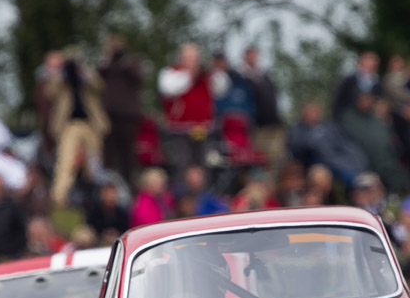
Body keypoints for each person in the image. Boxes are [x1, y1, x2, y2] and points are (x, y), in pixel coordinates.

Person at [47, 51, 110, 207]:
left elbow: (100, 86)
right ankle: (59, 198)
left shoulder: (87, 73)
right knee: (66, 161)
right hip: (69, 125)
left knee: (94, 162)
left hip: (91, 124)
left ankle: (99, 196)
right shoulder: (60, 77)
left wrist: (83, 73)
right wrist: (63, 73)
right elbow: (50, 92)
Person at [157, 43, 230, 172]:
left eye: (194, 58)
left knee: (203, 168)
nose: (192, 62)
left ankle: (202, 192)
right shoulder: (171, 72)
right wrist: (190, 75)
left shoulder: (206, 75)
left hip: (204, 130)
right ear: (180, 58)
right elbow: (169, 88)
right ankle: (182, 192)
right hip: (179, 131)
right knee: (182, 166)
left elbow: (222, 88)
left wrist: (216, 70)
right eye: (188, 58)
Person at [339, 92, 410, 194]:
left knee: (397, 172)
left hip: (387, 159)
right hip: (362, 161)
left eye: (369, 99)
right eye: (363, 99)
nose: (366, 102)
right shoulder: (348, 118)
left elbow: (389, 139)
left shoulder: (376, 119)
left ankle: (397, 195)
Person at [287, 101, 367, 187]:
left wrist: (354, 159)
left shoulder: (329, 128)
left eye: (315, 112)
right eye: (310, 112)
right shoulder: (297, 131)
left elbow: (344, 145)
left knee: (358, 174)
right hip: (317, 164)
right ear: (303, 114)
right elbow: (297, 149)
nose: (313, 115)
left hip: (337, 162)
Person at [98, 36, 143, 186]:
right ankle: (108, 188)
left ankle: (129, 187)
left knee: (127, 156)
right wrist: (108, 61)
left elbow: (138, 78)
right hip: (109, 117)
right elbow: (98, 78)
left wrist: (124, 63)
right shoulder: (106, 66)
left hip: (128, 118)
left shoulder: (131, 63)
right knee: (108, 156)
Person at [239, 46, 285, 172]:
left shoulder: (264, 76)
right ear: (245, 57)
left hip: (273, 124)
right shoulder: (242, 77)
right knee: (260, 160)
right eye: (251, 55)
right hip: (257, 127)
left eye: (256, 55)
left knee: (275, 160)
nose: (254, 58)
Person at [333, 51, 381, 119]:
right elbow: (339, 101)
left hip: (368, 118)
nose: (371, 63)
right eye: (368, 60)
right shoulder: (348, 80)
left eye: (373, 61)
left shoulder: (378, 83)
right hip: (348, 117)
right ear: (361, 62)